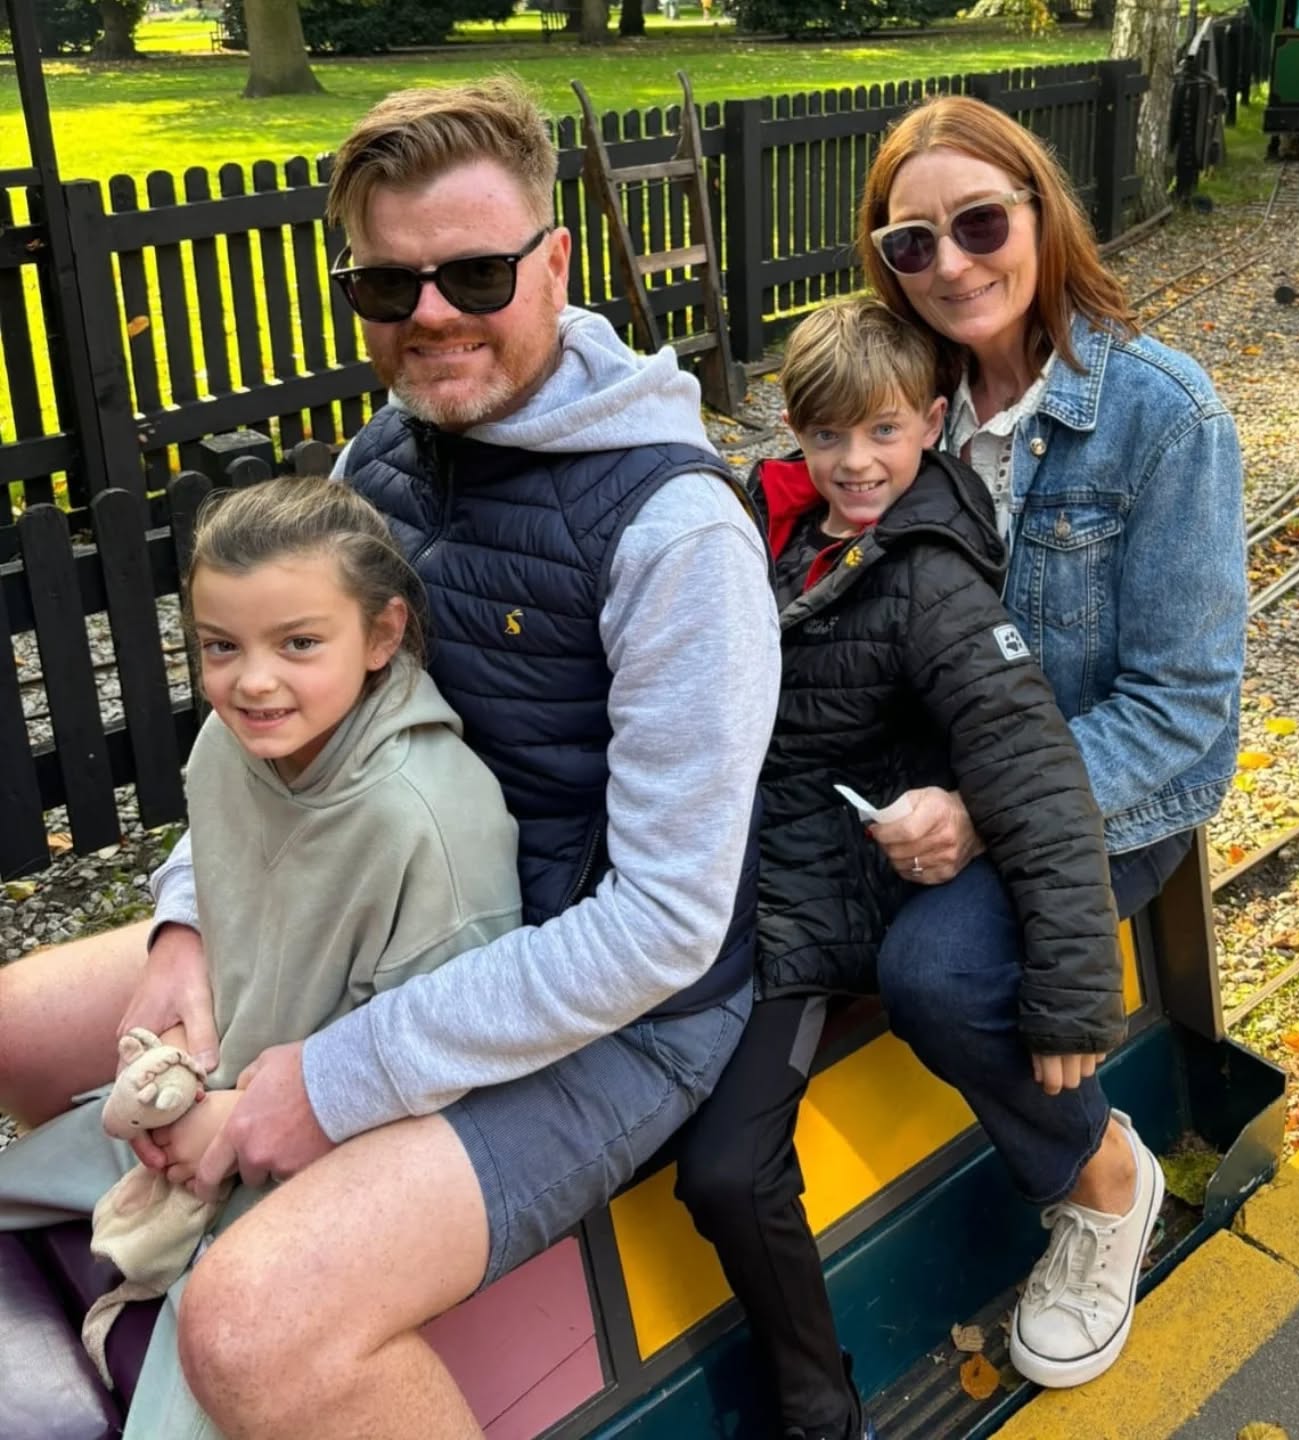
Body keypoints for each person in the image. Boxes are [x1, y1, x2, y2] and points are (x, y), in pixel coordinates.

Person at [0, 78, 779, 1440]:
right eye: (386, 285)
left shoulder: (674, 537)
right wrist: (188, 921)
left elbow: (664, 923)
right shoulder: (385, 461)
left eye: (476, 274)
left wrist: (337, 1078)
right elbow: (273, 730)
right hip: (373, 895)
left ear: (555, 263)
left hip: (610, 1011)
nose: (431, 315)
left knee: (257, 1326)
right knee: (16, 1024)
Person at [674, 297, 1135, 1440]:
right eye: (828, 434)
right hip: (702, 888)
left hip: (810, 908)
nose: (855, 462)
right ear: (794, 431)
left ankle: (823, 1417)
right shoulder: (759, 524)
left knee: (727, 1169)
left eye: (883, 431)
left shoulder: (930, 580)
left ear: (932, 424)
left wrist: (1072, 994)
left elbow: (1033, 773)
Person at [0, 476, 524, 1432]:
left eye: (299, 644)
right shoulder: (230, 743)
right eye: (221, 647)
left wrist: (241, 1124)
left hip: (331, 1145)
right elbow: (215, 873)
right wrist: (180, 972)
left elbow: (449, 1070)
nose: (252, 682)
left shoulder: (427, 826)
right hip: (215, 1096)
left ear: (382, 634)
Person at [856, 99, 1243, 1389]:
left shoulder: (1162, 416)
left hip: (1113, 793)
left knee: (941, 973)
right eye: (914, 243)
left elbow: (1181, 706)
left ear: (1041, 214)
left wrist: (983, 812)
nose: (953, 264)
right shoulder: (902, 406)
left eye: (980, 224)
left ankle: (1104, 1178)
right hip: (936, 774)